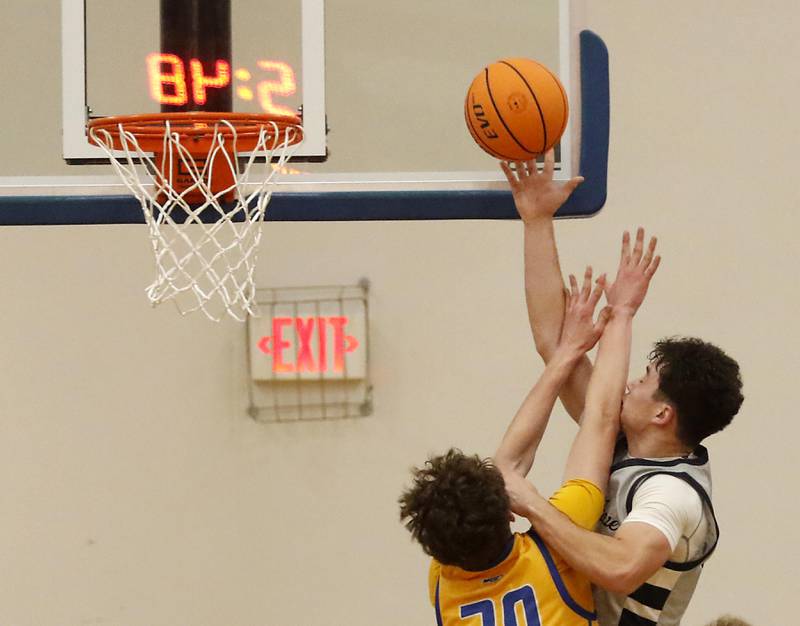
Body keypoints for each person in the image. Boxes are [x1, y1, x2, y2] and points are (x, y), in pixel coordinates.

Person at [502, 150, 744, 626]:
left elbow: (621, 568)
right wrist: (536, 220)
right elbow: (556, 346)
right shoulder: (623, 439)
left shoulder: (671, 495)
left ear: (662, 414)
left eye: (646, 380)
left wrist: (531, 503)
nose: (631, 382)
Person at [399, 213, 660, 625]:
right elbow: (600, 420)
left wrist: (564, 354)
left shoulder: (442, 583)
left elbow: (508, 467)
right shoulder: (556, 551)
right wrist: (599, 329)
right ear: (509, 511)